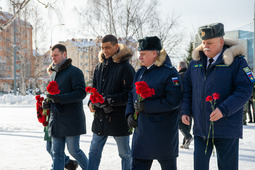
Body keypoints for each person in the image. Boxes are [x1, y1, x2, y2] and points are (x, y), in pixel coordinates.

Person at [181, 23, 254, 170]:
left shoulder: (237, 61)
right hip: (201, 129)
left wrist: (224, 109)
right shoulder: (195, 63)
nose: (205, 46)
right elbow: (187, 89)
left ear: (221, 42)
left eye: (209, 43)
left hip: (227, 129)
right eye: (203, 43)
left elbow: (245, 89)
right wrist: (185, 110)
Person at [126, 36, 181, 170]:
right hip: (142, 134)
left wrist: (147, 106)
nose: (140, 58)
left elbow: (173, 101)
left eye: (143, 54)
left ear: (154, 53)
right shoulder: (140, 72)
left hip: (162, 133)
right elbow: (131, 95)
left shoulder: (169, 73)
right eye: (140, 54)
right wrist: (129, 114)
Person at [88, 34, 135, 170]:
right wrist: (91, 103)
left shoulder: (126, 68)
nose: (105, 51)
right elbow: (94, 90)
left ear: (116, 46)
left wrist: (109, 100)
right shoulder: (99, 67)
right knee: (93, 152)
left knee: (125, 154)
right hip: (100, 118)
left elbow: (130, 94)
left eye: (108, 47)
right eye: (102, 48)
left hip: (119, 119)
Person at [45, 44, 88, 170]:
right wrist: (48, 103)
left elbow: (81, 93)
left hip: (71, 119)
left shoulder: (75, 72)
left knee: (74, 150)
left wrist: (60, 99)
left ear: (64, 54)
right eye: (52, 56)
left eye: (56, 55)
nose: (53, 58)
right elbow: (53, 95)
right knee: (56, 153)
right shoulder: (53, 74)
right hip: (57, 120)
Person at [41, 64, 78, 170]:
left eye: (52, 74)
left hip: (60, 121)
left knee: (56, 149)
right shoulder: (51, 86)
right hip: (50, 121)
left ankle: (62, 164)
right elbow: (48, 101)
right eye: (50, 75)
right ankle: (68, 163)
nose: (52, 78)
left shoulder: (62, 86)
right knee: (49, 148)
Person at [177, 61, 193, 149]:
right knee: (188, 122)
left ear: (179, 67)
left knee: (179, 121)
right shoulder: (191, 75)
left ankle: (188, 137)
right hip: (191, 102)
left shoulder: (179, 76)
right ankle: (185, 143)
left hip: (181, 102)